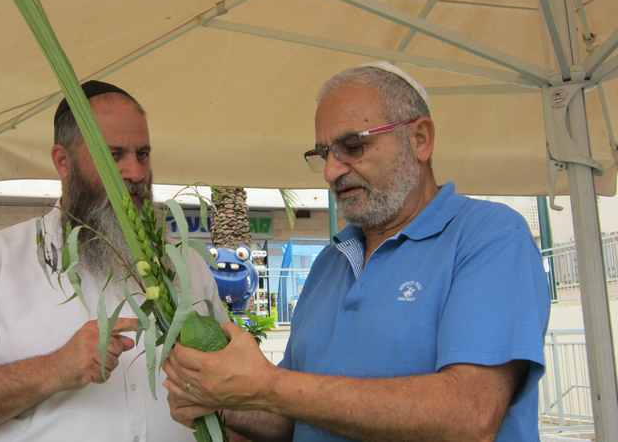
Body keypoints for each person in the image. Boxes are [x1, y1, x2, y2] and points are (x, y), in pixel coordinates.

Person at [163, 62, 551, 442]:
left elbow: (470, 414)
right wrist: (220, 401)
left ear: (419, 139)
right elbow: (292, 419)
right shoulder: (329, 263)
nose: (331, 171)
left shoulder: (490, 235)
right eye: (324, 154)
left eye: (353, 146)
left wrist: (269, 385)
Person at [0, 80, 228, 441]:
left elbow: (230, 389)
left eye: (143, 154)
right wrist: (55, 369)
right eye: (114, 155)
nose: (137, 173)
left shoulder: (187, 264)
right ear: (64, 161)